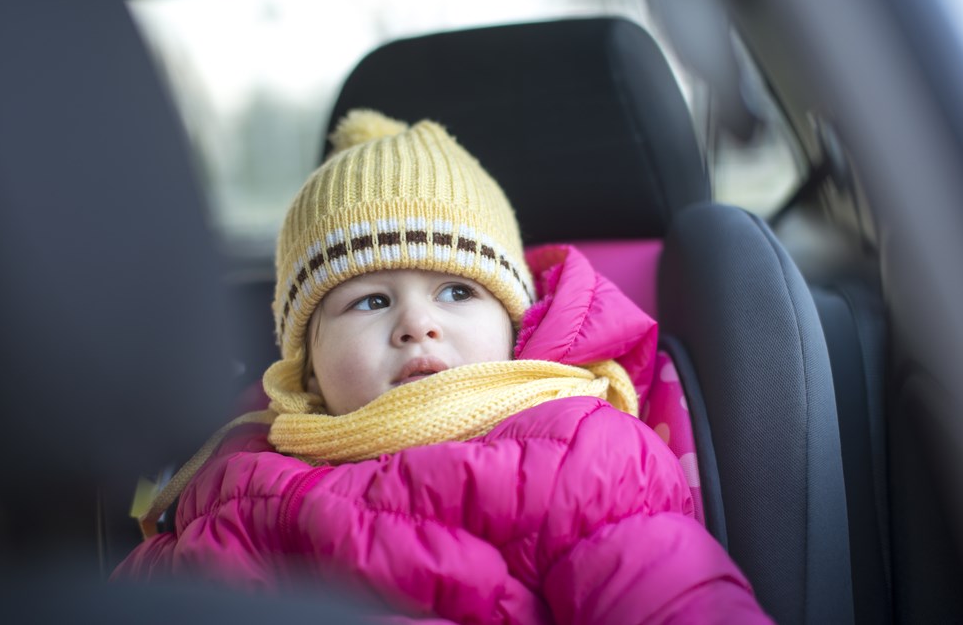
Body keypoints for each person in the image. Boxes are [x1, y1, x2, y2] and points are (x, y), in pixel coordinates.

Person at [114, 110, 772, 623]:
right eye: (370, 300)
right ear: (306, 364)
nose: (416, 323)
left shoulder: (582, 453)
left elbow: (669, 598)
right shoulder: (234, 478)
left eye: (457, 291)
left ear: (515, 322)